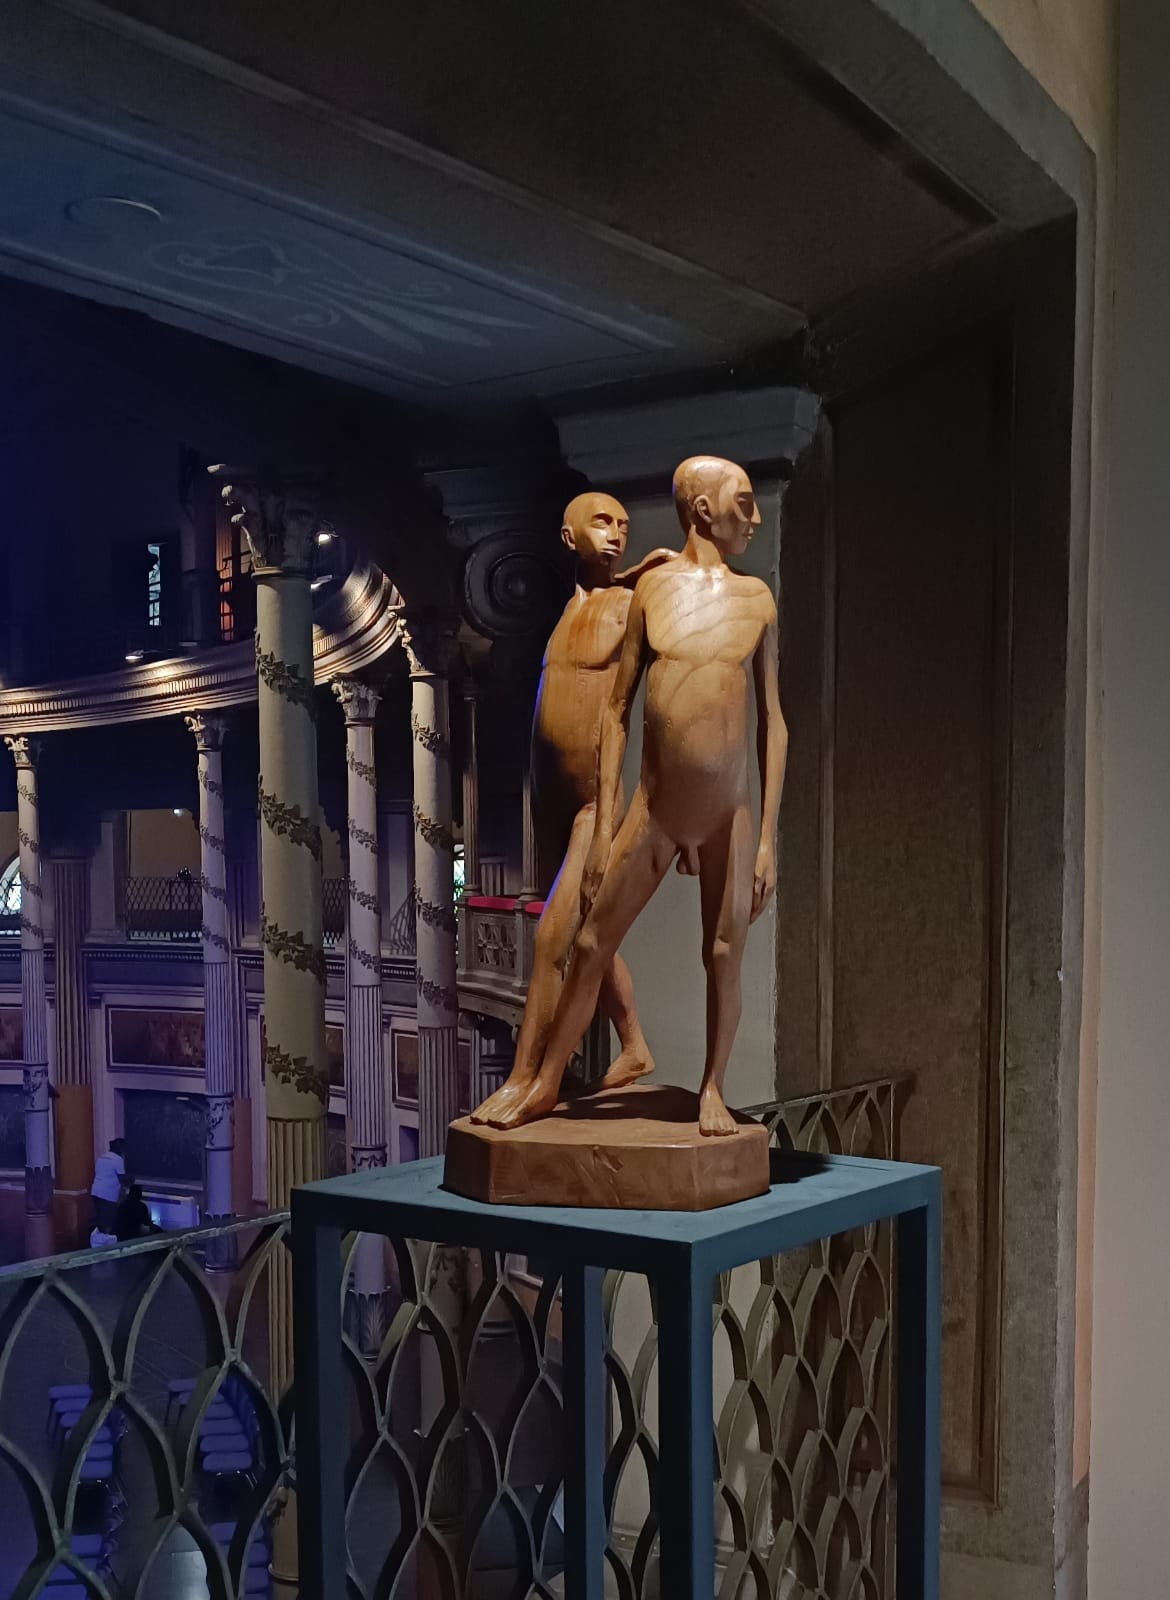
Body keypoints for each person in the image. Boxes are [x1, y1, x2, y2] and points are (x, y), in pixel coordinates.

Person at [489, 457, 787, 1136]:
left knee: (723, 954)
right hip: (656, 807)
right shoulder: (652, 592)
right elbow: (617, 710)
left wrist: (769, 837)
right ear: (704, 510)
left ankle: (713, 1087)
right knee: (592, 939)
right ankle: (544, 1081)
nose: (754, 518)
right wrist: (603, 831)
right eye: (744, 502)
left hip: (729, 812)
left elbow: (774, 722)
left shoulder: (757, 600)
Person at [471, 492, 679, 1127]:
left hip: (597, 804)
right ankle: (634, 1045)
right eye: (602, 522)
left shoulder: (632, 603)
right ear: (568, 537)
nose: (616, 532)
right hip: (555, 800)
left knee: (552, 941)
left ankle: (528, 1079)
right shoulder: (569, 610)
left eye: (623, 524)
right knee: (594, 933)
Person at [90, 1136, 128, 1232]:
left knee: (100, 1220)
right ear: (121, 1148)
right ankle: (106, 1239)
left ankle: (99, 1239)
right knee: (108, 1222)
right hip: (108, 1195)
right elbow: (122, 1179)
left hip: (95, 1192)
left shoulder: (101, 1157)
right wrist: (131, 1180)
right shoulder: (118, 1159)